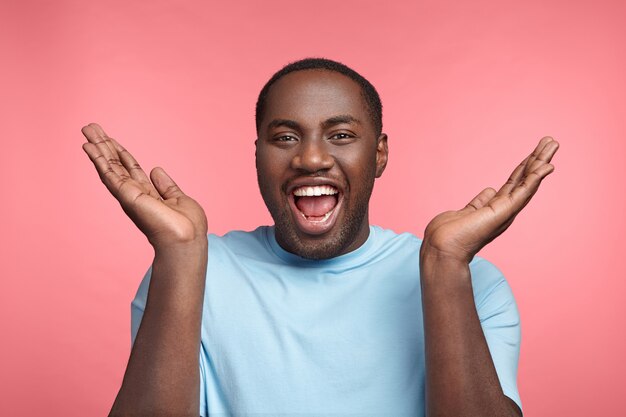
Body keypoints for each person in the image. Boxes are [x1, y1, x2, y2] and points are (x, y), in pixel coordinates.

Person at [81, 58, 559, 417]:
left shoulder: (471, 281)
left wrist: (446, 263)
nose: (311, 159)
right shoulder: (188, 271)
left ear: (380, 154)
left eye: (341, 135)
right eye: (285, 137)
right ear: (257, 155)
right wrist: (180, 254)